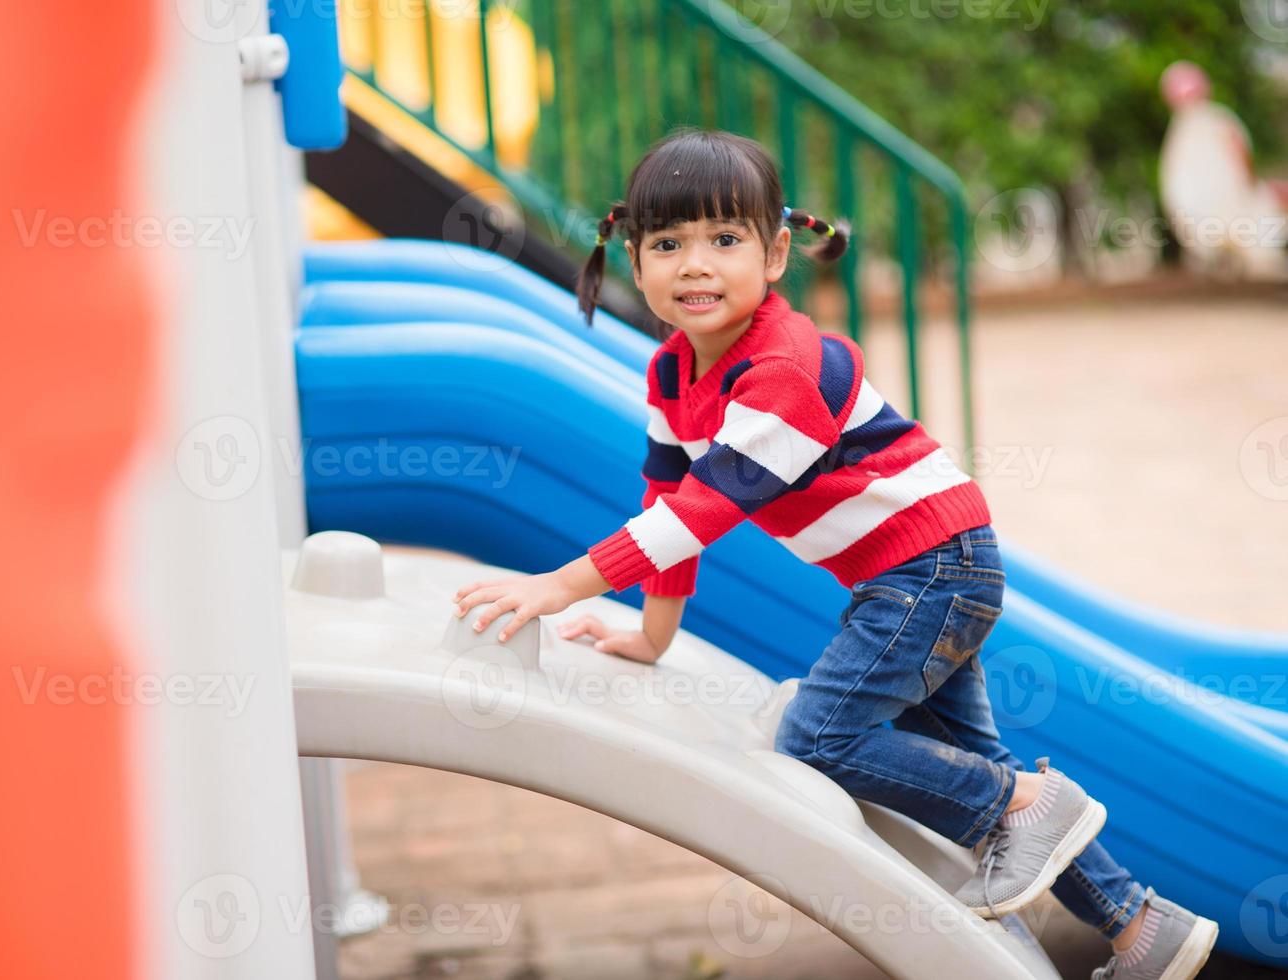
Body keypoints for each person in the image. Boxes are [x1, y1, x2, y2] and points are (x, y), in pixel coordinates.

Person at [451, 129, 1218, 979]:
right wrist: (653, 638)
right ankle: (1142, 928)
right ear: (635, 262)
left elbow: (704, 512)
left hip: (934, 568)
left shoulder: (786, 367)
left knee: (817, 736)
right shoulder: (672, 373)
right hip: (906, 574)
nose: (695, 265)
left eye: (725, 240)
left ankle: (1030, 801)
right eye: (668, 244)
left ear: (776, 253)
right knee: (964, 760)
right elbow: (667, 503)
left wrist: (562, 584)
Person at [1159, 59, 1288, 282]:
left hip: (1212, 206)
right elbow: (1240, 150)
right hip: (1216, 205)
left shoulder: (1197, 123)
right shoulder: (1209, 119)